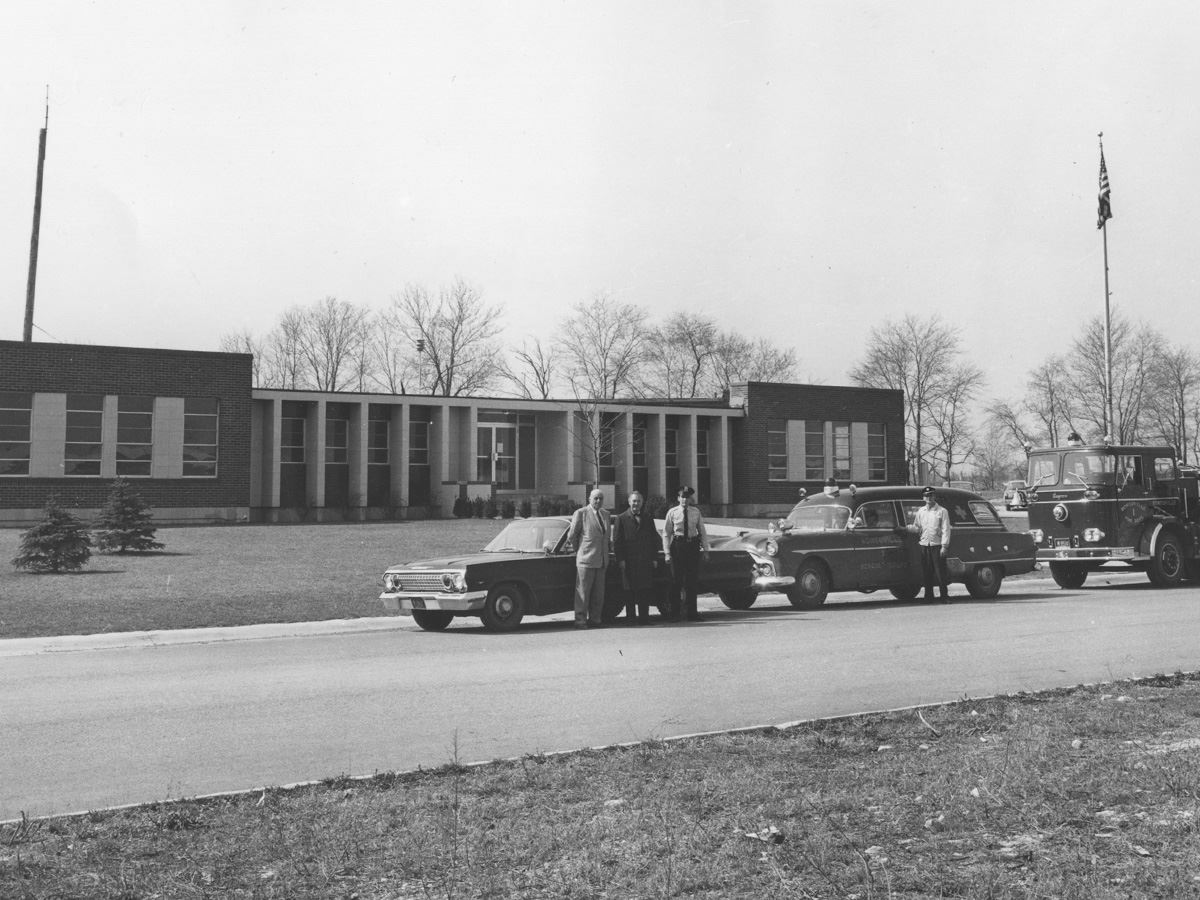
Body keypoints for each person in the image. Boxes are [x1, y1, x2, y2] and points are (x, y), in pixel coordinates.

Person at [662, 485, 710, 621]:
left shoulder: (696, 512)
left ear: (690, 499)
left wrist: (706, 550)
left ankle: (692, 613)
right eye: (682, 497)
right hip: (678, 547)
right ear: (678, 498)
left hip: (692, 547)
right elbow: (666, 533)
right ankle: (675, 614)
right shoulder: (672, 512)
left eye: (687, 497)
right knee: (676, 581)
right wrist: (667, 553)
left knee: (691, 581)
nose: (684, 500)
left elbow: (702, 531)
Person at [612, 491, 659, 625]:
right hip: (628, 561)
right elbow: (617, 541)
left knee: (644, 590)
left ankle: (644, 618)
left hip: (644, 560)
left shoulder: (648, 518)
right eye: (634, 501)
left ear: (642, 503)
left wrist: (654, 558)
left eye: (638, 501)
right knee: (629, 591)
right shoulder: (621, 518)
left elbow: (653, 539)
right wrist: (620, 559)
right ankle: (631, 619)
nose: (636, 504)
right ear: (629, 502)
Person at [899, 486, 952, 602]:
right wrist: (906, 528)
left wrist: (944, 546)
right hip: (924, 545)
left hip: (937, 545)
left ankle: (944, 596)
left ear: (935, 496)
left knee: (940, 572)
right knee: (927, 572)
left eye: (931, 495)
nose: (929, 498)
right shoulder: (921, 511)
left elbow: (946, 529)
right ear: (923, 498)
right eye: (927, 496)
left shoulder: (942, 511)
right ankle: (929, 596)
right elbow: (917, 527)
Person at [568, 488, 611, 628]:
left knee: (599, 594)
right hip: (585, 560)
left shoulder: (606, 514)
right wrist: (579, 550)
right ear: (589, 499)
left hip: (601, 560)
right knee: (583, 593)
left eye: (601, 498)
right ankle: (580, 620)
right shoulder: (581, 513)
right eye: (595, 498)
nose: (598, 501)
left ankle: (595, 619)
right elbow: (572, 535)